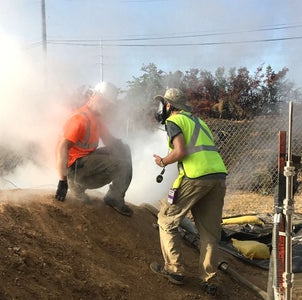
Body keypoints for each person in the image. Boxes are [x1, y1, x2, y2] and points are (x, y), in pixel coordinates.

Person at [149, 88, 228, 295]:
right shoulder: (199, 122)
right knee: (210, 232)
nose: (161, 109)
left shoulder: (173, 121)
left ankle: (174, 270)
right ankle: (209, 279)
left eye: (163, 105)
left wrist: (162, 161)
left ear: (169, 106)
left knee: (166, 220)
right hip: (218, 177)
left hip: (196, 176)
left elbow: (180, 151)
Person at [55, 81, 134, 217]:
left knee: (124, 150)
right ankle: (76, 187)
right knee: (123, 166)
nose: (106, 105)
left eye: (108, 103)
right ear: (93, 96)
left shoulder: (96, 118)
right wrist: (62, 182)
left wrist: (122, 147)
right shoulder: (80, 118)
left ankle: (114, 197)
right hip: (75, 169)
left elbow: (109, 140)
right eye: (103, 100)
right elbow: (62, 148)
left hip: (86, 162)